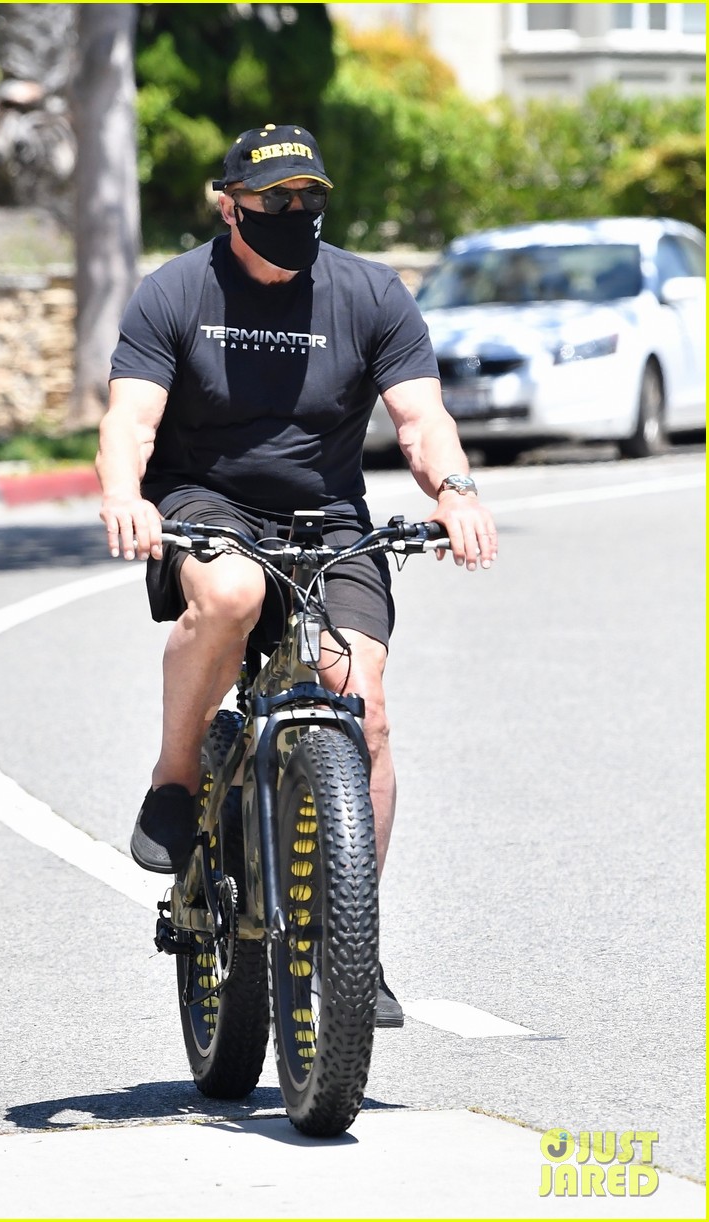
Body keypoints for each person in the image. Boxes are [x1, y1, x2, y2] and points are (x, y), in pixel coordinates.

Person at [96, 123, 498, 1028]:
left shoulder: (366, 293)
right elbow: (130, 419)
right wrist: (125, 493)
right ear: (229, 204)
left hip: (325, 519)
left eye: (307, 198)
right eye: (272, 200)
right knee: (232, 595)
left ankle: (353, 942)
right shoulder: (175, 292)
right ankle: (174, 781)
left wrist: (458, 490)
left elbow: (421, 417)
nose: (292, 213)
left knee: (367, 702)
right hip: (207, 502)